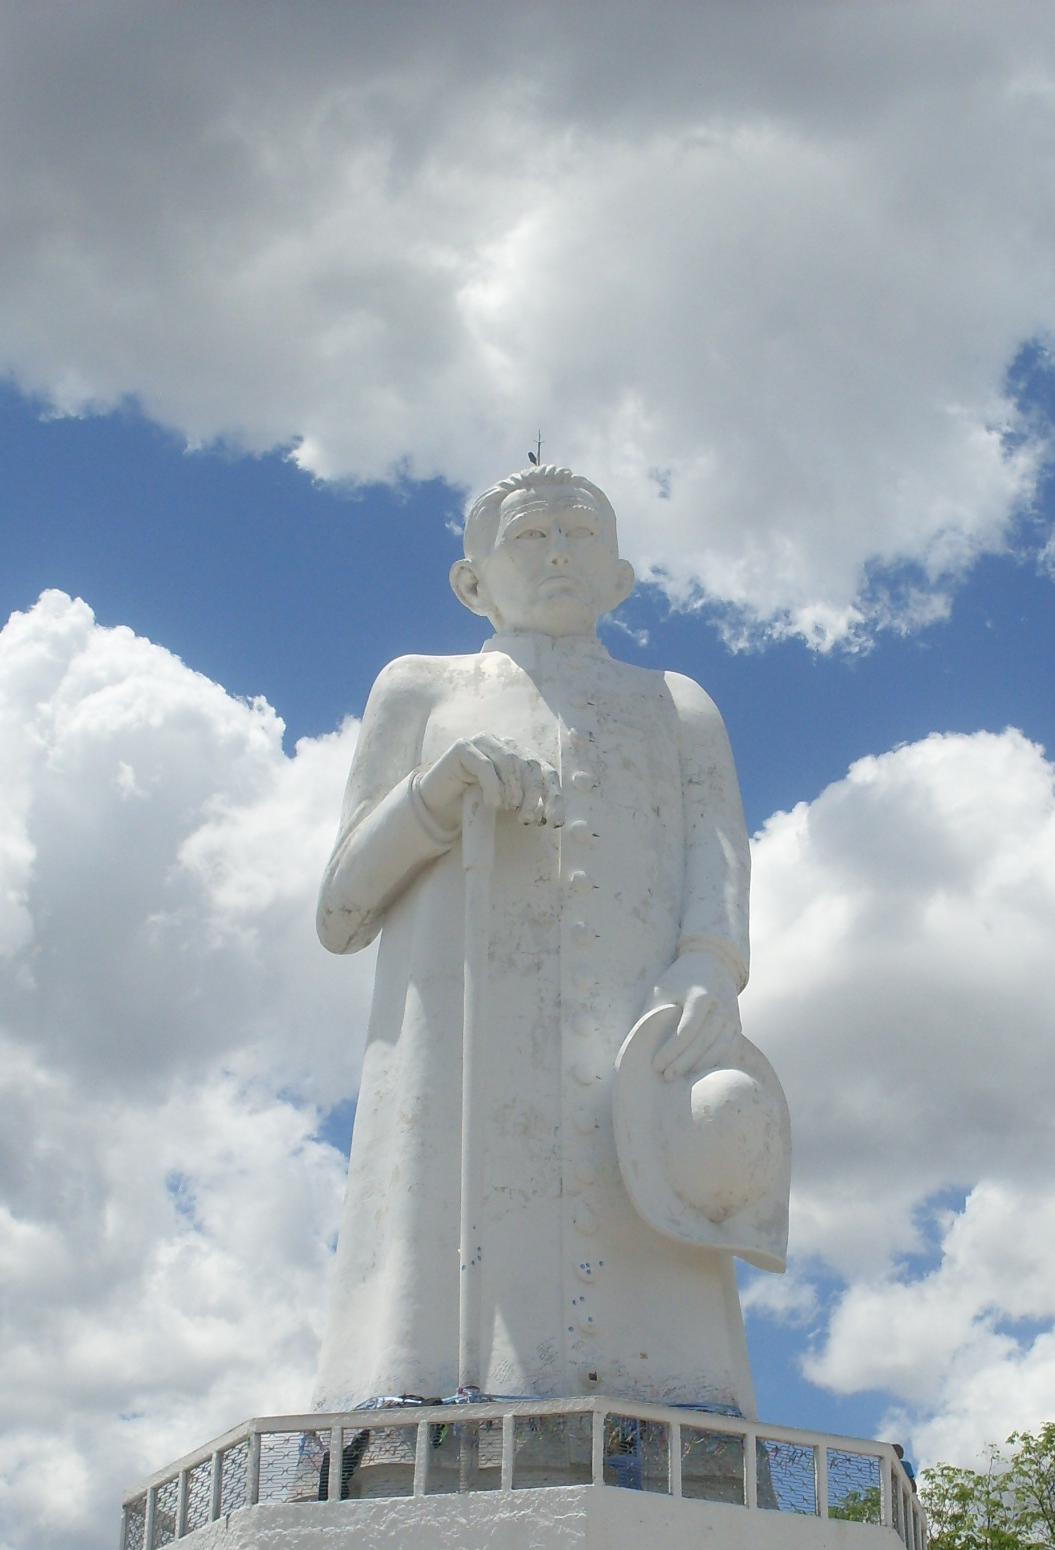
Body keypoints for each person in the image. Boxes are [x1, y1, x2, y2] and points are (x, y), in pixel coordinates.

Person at [313, 464, 767, 1416]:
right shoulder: (419, 688)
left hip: (633, 1049)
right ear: (470, 581)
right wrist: (431, 800)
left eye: (580, 534)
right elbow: (341, 910)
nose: (558, 550)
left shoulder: (679, 705)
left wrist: (710, 963)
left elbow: (718, 859)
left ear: (621, 577)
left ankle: (675, 1432)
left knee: (650, 1254)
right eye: (528, 534)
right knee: (439, 1285)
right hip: (465, 1060)